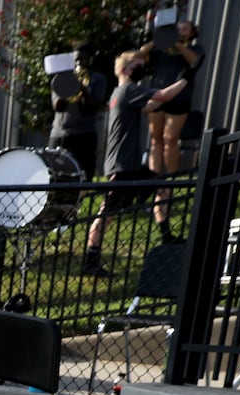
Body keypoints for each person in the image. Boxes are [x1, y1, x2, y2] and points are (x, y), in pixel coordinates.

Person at [82, 51, 190, 277]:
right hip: (121, 166)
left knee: (162, 187)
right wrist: (187, 78)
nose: (141, 69)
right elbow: (162, 96)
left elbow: (151, 106)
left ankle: (166, 234)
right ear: (124, 70)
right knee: (106, 213)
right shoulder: (128, 89)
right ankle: (91, 260)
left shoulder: (121, 93)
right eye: (136, 66)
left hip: (129, 164)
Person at [145, 21, 204, 240]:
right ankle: (153, 177)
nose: (180, 30)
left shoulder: (195, 49)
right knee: (155, 140)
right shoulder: (160, 49)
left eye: (184, 29)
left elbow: (195, 62)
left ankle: (168, 177)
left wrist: (178, 44)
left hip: (179, 100)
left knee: (170, 139)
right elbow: (142, 56)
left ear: (191, 33)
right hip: (158, 95)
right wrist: (158, 39)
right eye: (177, 28)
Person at [50, 48, 109, 179]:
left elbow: (90, 109)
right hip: (60, 134)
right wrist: (69, 87)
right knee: (55, 174)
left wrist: (82, 88)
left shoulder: (98, 79)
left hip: (84, 134)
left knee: (84, 174)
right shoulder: (62, 78)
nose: (79, 62)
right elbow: (57, 106)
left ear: (90, 60)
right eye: (76, 59)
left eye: (83, 58)